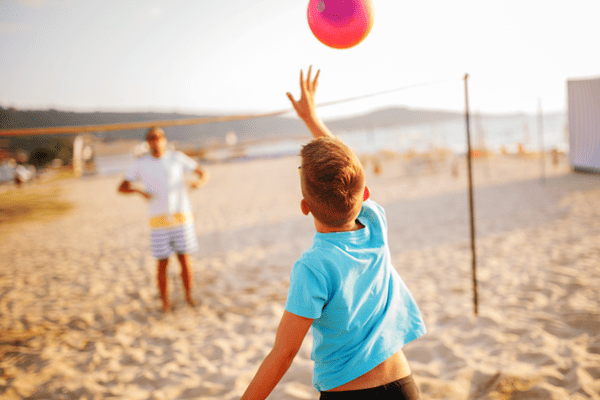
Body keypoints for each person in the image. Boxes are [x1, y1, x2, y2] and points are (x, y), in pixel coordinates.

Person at [240, 67, 426, 400]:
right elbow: (348, 165)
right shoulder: (375, 225)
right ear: (365, 194)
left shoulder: (313, 266)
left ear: (304, 207)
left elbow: (283, 354)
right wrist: (313, 119)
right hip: (402, 384)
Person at [117, 127, 209, 312]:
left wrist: (199, 183)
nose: (156, 140)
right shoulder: (141, 163)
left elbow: (202, 172)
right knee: (162, 262)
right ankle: (165, 302)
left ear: (165, 140)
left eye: (159, 137)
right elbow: (122, 187)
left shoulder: (176, 157)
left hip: (181, 215)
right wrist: (139, 191)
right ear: (148, 142)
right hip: (158, 219)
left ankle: (189, 296)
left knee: (184, 259)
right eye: (152, 137)